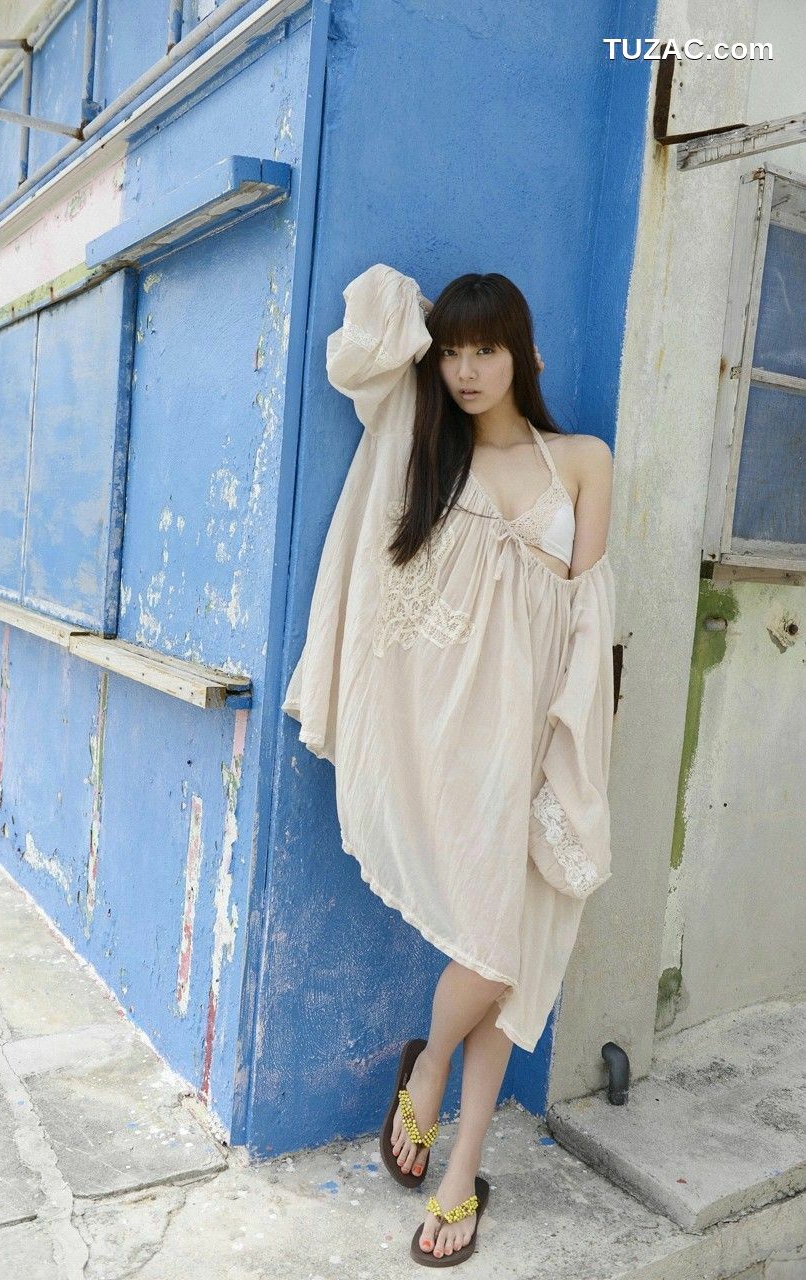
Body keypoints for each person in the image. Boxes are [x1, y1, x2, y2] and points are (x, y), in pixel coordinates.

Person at [282, 262, 616, 1265]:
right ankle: (433, 1083)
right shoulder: (427, 451)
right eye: (454, 351)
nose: (467, 370)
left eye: (488, 349)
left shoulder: (582, 460)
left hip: (537, 738)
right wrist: (424, 325)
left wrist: (570, 755)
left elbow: (587, 616)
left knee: (514, 955)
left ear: (525, 355)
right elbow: (365, 340)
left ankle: (455, 1148)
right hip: (452, 747)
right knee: (497, 952)